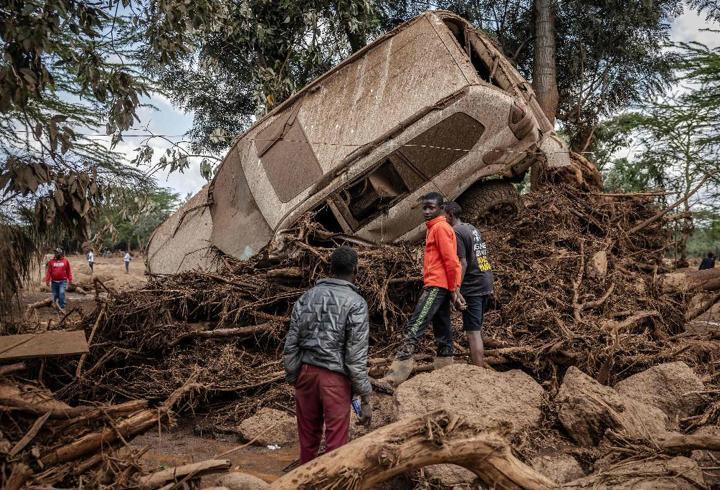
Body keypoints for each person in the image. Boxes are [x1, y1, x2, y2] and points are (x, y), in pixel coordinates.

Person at [283, 246, 372, 464]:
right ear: (356, 269)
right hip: (335, 380)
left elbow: (291, 342)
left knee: (308, 442)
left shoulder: (307, 297)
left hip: (305, 374)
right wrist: (365, 397)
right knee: (336, 445)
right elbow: (355, 356)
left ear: (330, 268)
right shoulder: (356, 303)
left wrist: (294, 376)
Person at [380, 192, 463, 387]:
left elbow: (452, 261)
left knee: (415, 326)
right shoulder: (436, 228)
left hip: (437, 286)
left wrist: (454, 289)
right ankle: (446, 369)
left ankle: (394, 378)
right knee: (442, 328)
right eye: (424, 208)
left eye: (431, 207)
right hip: (440, 285)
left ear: (441, 208)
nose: (426, 211)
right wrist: (453, 288)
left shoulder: (440, 228)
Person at [444, 202, 494, 367]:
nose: (442, 219)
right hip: (485, 280)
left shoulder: (456, 232)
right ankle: (479, 365)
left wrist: (456, 288)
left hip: (474, 285)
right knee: (477, 329)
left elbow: (462, 262)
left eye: (443, 215)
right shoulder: (471, 227)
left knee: (472, 332)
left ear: (450, 215)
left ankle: (478, 373)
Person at [44, 248, 72, 313]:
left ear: (60, 253)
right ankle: (56, 309)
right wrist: (47, 280)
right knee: (55, 295)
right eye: (55, 253)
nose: (55, 254)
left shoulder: (65, 261)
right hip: (54, 282)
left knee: (61, 293)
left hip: (63, 281)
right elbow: (49, 272)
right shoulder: (51, 262)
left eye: (57, 252)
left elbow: (68, 270)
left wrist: (70, 279)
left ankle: (62, 308)